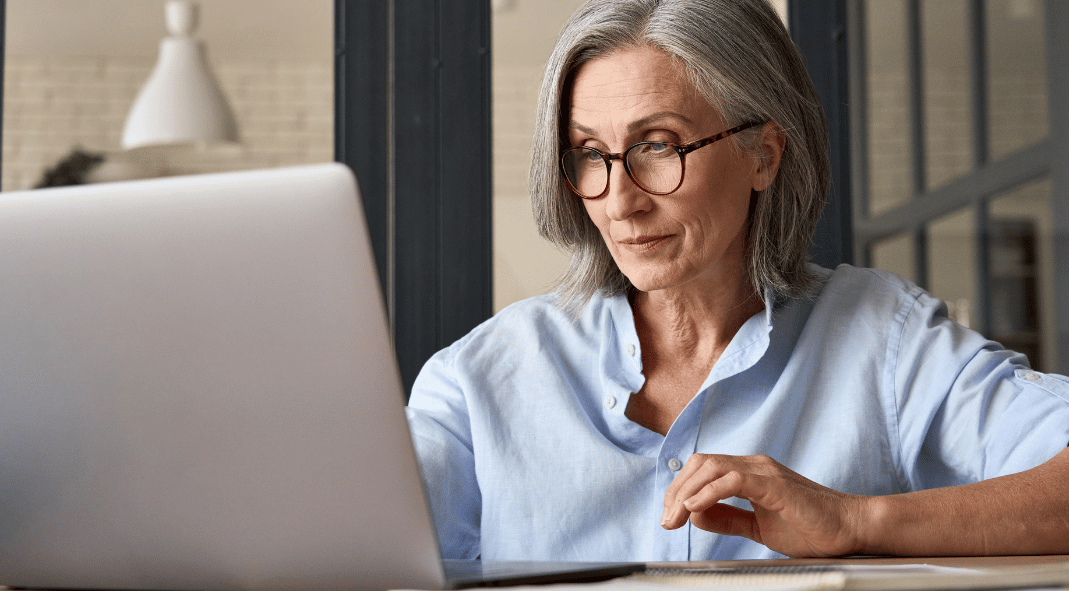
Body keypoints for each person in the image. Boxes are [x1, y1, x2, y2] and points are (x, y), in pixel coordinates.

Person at [405, 0, 1069, 562]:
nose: (619, 200)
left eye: (658, 146)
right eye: (589, 156)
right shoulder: (475, 380)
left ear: (762, 154)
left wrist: (854, 521)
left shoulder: (883, 341)